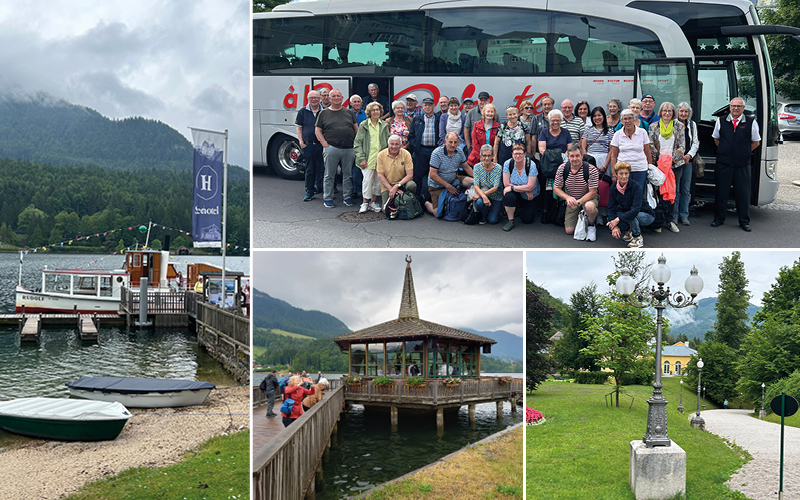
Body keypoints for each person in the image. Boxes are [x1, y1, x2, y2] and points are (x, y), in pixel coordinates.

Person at [711, 97, 760, 231]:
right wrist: (726, 151)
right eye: (733, 106)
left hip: (742, 164)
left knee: (743, 194)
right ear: (730, 107)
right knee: (721, 193)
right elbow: (716, 138)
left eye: (739, 106)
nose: (736, 108)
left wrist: (743, 152)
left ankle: (744, 221)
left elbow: (756, 142)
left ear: (743, 108)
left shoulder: (751, 122)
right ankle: (719, 219)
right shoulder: (720, 121)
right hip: (724, 163)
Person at [315, 89, 359, 208]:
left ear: (342, 98)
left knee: (348, 174)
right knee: (329, 175)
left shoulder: (349, 113)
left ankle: (347, 197)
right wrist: (324, 143)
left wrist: (356, 144)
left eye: (338, 96)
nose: (336, 98)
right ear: (329, 99)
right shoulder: (323, 113)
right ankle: (328, 198)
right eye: (333, 96)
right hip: (331, 148)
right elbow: (318, 130)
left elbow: (356, 129)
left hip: (349, 149)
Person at [648, 101, 686, 234]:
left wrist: (671, 161)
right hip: (658, 166)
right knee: (658, 193)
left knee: (672, 194)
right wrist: (660, 161)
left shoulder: (679, 126)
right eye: (665, 110)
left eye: (670, 110)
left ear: (673, 113)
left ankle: (670, 221)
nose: (667, 113)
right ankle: (658, 222)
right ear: (660, 112)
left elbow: (682, 146)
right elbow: (650, 144)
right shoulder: (653, 126)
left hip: (674, 165)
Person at [553, 144, 599, 240]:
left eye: (577, 156)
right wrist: (568, 198)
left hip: (588, 198)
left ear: (582, 156)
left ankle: (591, 224)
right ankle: (583, 217)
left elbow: (593, 193)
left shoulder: (592, 169)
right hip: (572, 199)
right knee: (569, 231)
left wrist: (579, 202)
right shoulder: (562, 168)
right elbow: (556, 188)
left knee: (589, 207)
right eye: (572, 156)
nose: (575, 159)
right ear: (568, 157)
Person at [607, 162, 655, 248]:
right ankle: (630, 231)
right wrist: (613, 225)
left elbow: (635, 210)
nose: (624, 176)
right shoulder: (613, 188)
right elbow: (611, 208)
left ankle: (637, 237)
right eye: (621, 173)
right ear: (616, 175)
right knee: (611, 217)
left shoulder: (636, 187)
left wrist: (618, 220)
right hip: (629, 212)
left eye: (626, 173)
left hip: (646, 215)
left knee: (631, 215)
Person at [424, 132, 473, 216]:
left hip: (453, 179)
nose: (452, 145)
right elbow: (433, 175)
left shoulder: (459, 151)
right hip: (437, 186)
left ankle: (467, 206)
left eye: (455, 142)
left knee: (473, 182)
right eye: (450, 142)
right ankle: (425, 202)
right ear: (445, 141)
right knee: (437, 214)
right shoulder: (437, 153)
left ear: (458, 143)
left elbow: (467, 167)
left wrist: (479, 179)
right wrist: (448, 186)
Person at [354, 101, 389, 213]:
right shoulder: (364, 125)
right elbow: (357, 143)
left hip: (380, 159)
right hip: (367, 159)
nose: (376, 112)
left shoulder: (383, 125)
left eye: (377, 110)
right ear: (369, 112)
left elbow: (388, 141)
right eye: (373, 110)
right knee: (367, 181)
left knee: (377, 182)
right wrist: (361, 158)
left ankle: (372, 202)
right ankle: (364, 202)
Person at [608, 109, 652, 194]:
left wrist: (650, 168)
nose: (627, 121)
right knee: (624, 194)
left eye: (630, 118)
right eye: (625, 119)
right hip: (622, 170)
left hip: (640, 169)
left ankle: (637, 208)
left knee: (638, 193)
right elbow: (613, 155)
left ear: (634, 119)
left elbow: (647, 152)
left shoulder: (642, 132)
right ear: (621, 121)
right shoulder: (617, 134)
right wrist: (614, 173)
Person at [295, 90, 325, 202]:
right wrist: (301, 142)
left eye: (316, 97)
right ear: (308, 99)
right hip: (308, 145)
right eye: (311, 98)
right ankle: (309, 191)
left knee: (322, 168)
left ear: (319, 99)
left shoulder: (324, 111)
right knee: (310, 169)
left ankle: (322, 189)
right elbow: (299, 128)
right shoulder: (303, 111)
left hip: (322, 145)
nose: (314, 100)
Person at [408, 97, 440, 198]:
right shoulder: (418, 119)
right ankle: (416, 199)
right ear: (422, 107)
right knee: (418, 176)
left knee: (434, 175)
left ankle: (431, 199)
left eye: (430, 105)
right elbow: (411, 135)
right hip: (420, 150)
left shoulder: (439, 118)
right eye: (425, 105)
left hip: (434, 151)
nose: (427, 107)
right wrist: (414, 146)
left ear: (434, 106)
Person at [502, 143, 539, 231]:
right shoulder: (508, 163)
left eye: (520, 154)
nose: (518, 156)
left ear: (524, 154)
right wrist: (524, 189)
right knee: (508, 196)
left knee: (527, 220)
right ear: (512, 154)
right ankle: (510, 220)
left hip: (530, 195)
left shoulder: (531, 165)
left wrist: (513, 187)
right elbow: (506, 184)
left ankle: (523, 209)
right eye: (515, 154)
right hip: (519, 192)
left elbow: (530, 187)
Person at [377, 135, 417, 213]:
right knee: (386, 211)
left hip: (402, 184)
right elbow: (380, 176)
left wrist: (397, 186)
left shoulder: (406, 154)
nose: (394, 146)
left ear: (401, 145)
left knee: (412, 185)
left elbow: (410, 175)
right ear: (388, 144)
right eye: (392, 144)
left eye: (396, 144)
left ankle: (410, 201)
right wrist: (391, 189)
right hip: (387, 186)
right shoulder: (381, 155)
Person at [675, 102, 699, 226]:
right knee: (676, 189)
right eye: (681, 111)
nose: (683, 114)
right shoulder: (673, 124)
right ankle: (674, 215)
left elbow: (695, 142)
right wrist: (678, 156)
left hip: (688, 161)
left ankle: (684, 214)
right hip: (676, 161)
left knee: (685, 189)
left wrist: (689, 155)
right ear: (677, 112)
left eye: (686, 112)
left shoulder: (692, 125)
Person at [471, 144, 504, 224]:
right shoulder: (477, 167)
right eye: (484, 155)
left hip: (496, 196)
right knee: (479, 202)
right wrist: (484, 197)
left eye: (489, 155)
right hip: (483, 193)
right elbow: (476, 185)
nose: (486, 158)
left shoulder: (498, 168)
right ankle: (484, 215)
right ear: (481, 156)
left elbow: (495, 187)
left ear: (493, 156)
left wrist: (480, 196)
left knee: (493, 220)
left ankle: (496, 210)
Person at [467, 103, 499, 167]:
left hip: (491, 159)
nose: (490, 114)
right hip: (476, 158)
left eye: (492, 112)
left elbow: (497, 144)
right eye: (488, 111)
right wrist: (481, 156)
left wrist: (490, 157)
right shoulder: (477, 125)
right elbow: (474, 142)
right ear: (484, 113)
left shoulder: (498, 126)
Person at [349, 94, 367, 200]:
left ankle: (361, 190)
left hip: (362, 145)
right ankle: (354, 190)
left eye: (358, 102)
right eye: (354, 102)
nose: (356, 104)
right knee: (350, 170)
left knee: (359, 168)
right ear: (351, 103)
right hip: (349, 145)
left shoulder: (365, 114)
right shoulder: (346, 113)